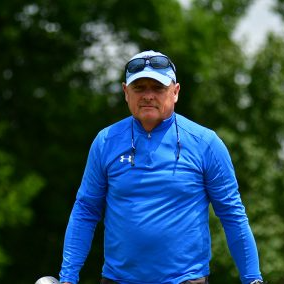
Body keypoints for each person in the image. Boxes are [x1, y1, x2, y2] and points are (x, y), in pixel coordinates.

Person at [59, 50, 264, 284]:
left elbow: (232, 214)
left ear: (175, 92)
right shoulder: (105, 142)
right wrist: (67, 278)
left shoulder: (206, 143)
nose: (148, 96)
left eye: (157, 88)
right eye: (139, 88)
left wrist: (253, 279)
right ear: (126, 92)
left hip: (186, 280)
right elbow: (85, 210)